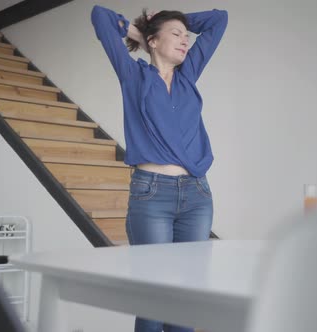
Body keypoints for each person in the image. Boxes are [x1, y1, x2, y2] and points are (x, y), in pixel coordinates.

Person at [91, 5, 228, 332]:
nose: (185, 41)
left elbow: (218, 19)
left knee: (185, 299)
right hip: (151, 196)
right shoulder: (133, 74)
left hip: (196, 195)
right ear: (153, 41)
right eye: (176, 35)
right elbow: (100, 15)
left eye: (187, 36)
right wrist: (139, 31)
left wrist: (175, 22)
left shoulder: (188, 74)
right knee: (153, 297)